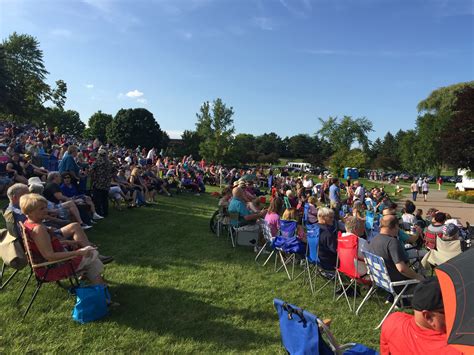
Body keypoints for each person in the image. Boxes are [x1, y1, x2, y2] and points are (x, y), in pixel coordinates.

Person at [19, 193, 109, 285]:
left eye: (45, 207)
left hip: (49, 264)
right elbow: (49, 255)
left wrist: (66, 242)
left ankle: (98, 285)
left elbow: (44, 246)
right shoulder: (38, 229)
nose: (46, 211)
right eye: (42, 209)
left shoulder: (28, 223)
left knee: (90, 254)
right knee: (92, 254)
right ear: (29, 212)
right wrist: (78, 253)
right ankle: (100, 288)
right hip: (51, 268)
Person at [380, 277, 462, 355]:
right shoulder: (457, 349)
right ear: (429, 317)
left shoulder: (391, 323)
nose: (458, 315)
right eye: (452, 311)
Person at [368, 215, 424, 284]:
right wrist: (418, 277)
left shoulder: (374, 239)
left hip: (381, 280)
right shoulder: (392, 242)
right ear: (395, 226)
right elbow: (402, 269)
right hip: (398, 283)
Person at [90, 148, 115, 217]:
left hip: (98, 183)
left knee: (97, 199)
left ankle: (99, 213)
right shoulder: (110, 162)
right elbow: (114, 171)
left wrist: (93, 177)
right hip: (106, 184)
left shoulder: (97, 162)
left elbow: (90, 170)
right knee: (105, 199)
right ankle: (105, 213)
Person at [317, 207, 338, 271]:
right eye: (330, 217)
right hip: (327, 262)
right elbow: (335, 250)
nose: (333, 219)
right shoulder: (327, 233)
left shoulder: (313, 228)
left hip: (315, 258)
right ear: (323, 217)